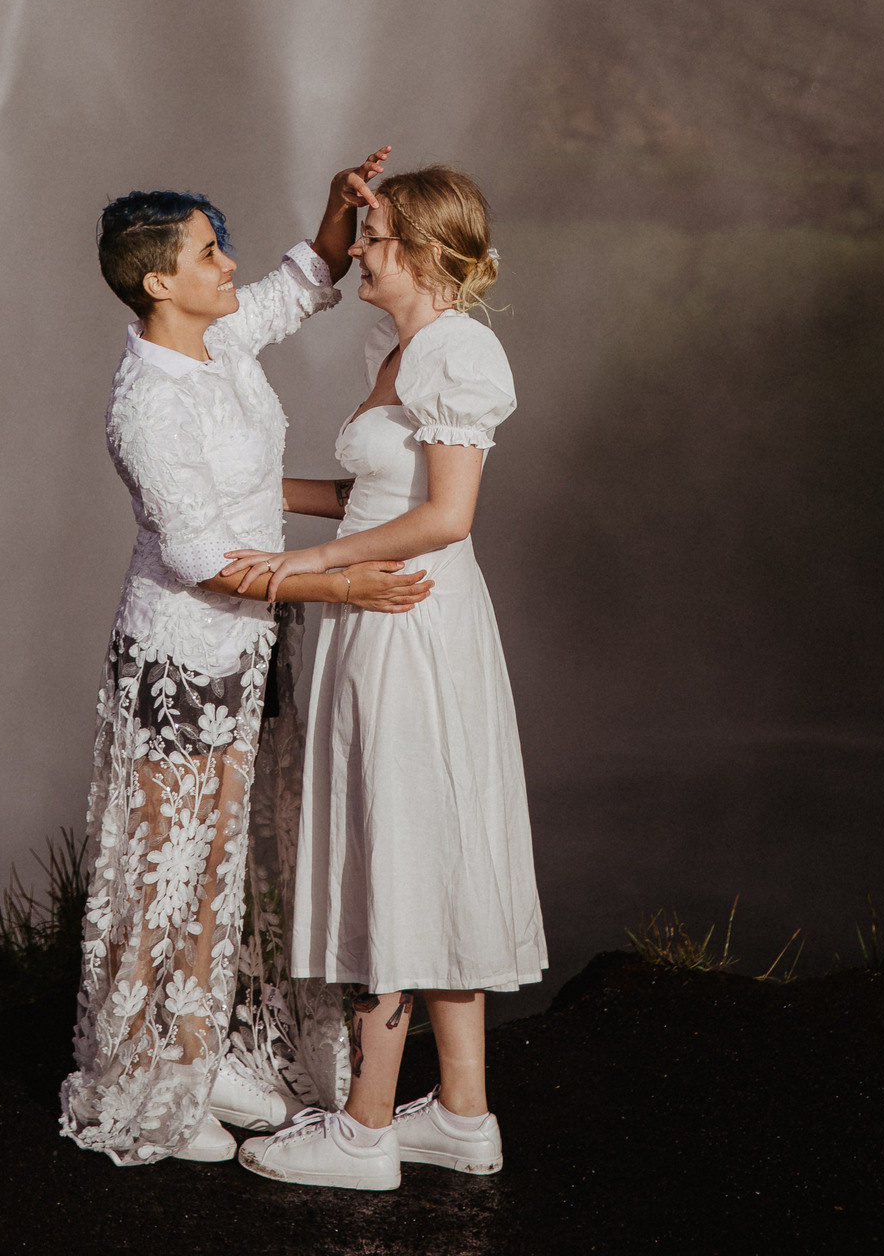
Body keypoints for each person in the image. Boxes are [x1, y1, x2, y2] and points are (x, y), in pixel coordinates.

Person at [59, 155, 433, 1170]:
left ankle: (202, 1047)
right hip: (181, 657)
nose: (228, 263)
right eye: (207, 252)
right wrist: (344, 583)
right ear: (158, 282)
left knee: (225, 858)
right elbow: (203, 560)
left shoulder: (216, 337)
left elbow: (303, 282)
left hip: (252, 646)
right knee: (166, 874)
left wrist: (337, 209)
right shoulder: (147, 402)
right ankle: (147, 1076)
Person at [223, 163, 546, 1193]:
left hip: (407, 619)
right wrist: (256, 492)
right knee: (423, 840)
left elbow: (447, 515)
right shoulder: (395, 348)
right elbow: (373, 492)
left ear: (423, 248)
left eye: (372, 235)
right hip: (374, 608)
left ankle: (364, 1131)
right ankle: (462, 1115)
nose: (355, 251)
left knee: (394, 844)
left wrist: (307, 569)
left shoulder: (458, 351)